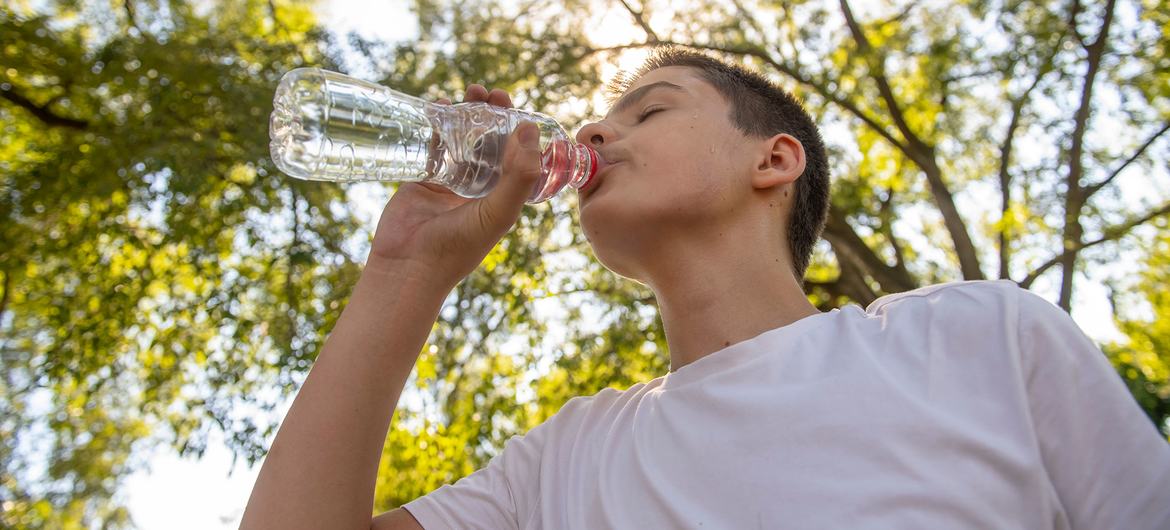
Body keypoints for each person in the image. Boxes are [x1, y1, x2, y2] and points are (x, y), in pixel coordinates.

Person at [241, 48, 1170, 530]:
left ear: (773, 161)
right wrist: (406, 267)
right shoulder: (561, 465)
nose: (595, 136)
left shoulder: (977, 337)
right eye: (597, 120)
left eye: (647, 110)